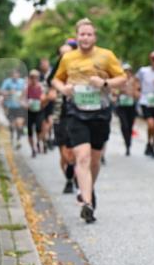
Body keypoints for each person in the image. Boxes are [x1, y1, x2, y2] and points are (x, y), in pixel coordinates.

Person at [51, 20, 126, 224]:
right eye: (82, 34)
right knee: (81, 157)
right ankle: (87, 203)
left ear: (95, 37)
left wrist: (104, 83)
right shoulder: (68, 58)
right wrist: (63, 88)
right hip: (76, 112)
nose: (85, 38)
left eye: (89, 34)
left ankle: (88, 189)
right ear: (77, 37)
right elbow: (56, 79)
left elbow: (122, 78)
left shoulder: (106, 55)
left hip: (100, 112)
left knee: (94, 159)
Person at [47, 42, 77, 194]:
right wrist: (53, 93)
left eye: (68, 53)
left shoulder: (79, 69)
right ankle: (69, 178)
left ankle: (73, 176)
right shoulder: (55, 72)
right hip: (60, 115)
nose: (64, 56)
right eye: (61, 54)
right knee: (64, 154)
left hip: (76, 114)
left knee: (74, 153)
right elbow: (50, 91)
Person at [115, 64, 140, 156]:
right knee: (124, 125)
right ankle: (126, 142)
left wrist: (133, 93)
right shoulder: (119, 80)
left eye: (128, 71)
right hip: (121, 106)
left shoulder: (135, 80)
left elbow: (138, 93)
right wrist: (120, 91)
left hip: (131, 106)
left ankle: (128, 144)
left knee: (129, 126)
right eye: (125, 71)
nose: (127, 73)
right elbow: (115, 92)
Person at [0, 68, 26, 148]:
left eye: (16, 74)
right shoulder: (7, 82)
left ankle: (18, 140)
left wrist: (23, 97)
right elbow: (1, 91)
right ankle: (11, 137)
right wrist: (9, 92)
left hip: (19, 106)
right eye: (13, 74)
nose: (15, 76)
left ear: (19, 75)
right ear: (11, 75)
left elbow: (26, 91)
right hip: (10, 106)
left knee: (19, 123)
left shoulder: (22, 82)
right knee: (11, 125)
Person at [23, 70, 45, 158]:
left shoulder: (41, 87)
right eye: (32, 77)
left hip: (39, 111)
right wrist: (26, 105)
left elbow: (45, 98)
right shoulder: (26, 88)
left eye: (36, 77)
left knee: (39, 128)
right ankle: (33, 149)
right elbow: (22, 99)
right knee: (30, 132)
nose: (34, 79)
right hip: (29, 112)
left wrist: (42, 102)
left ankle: (38, 142)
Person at [38, 57, 55, 150]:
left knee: (50, 120)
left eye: (45, 62)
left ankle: (48, 137)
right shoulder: (38, 75)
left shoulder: (53, 73)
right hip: (41, 100)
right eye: (42, 63)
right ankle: (46, 139)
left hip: (52, 99)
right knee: (43, 122)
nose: (44, 65)